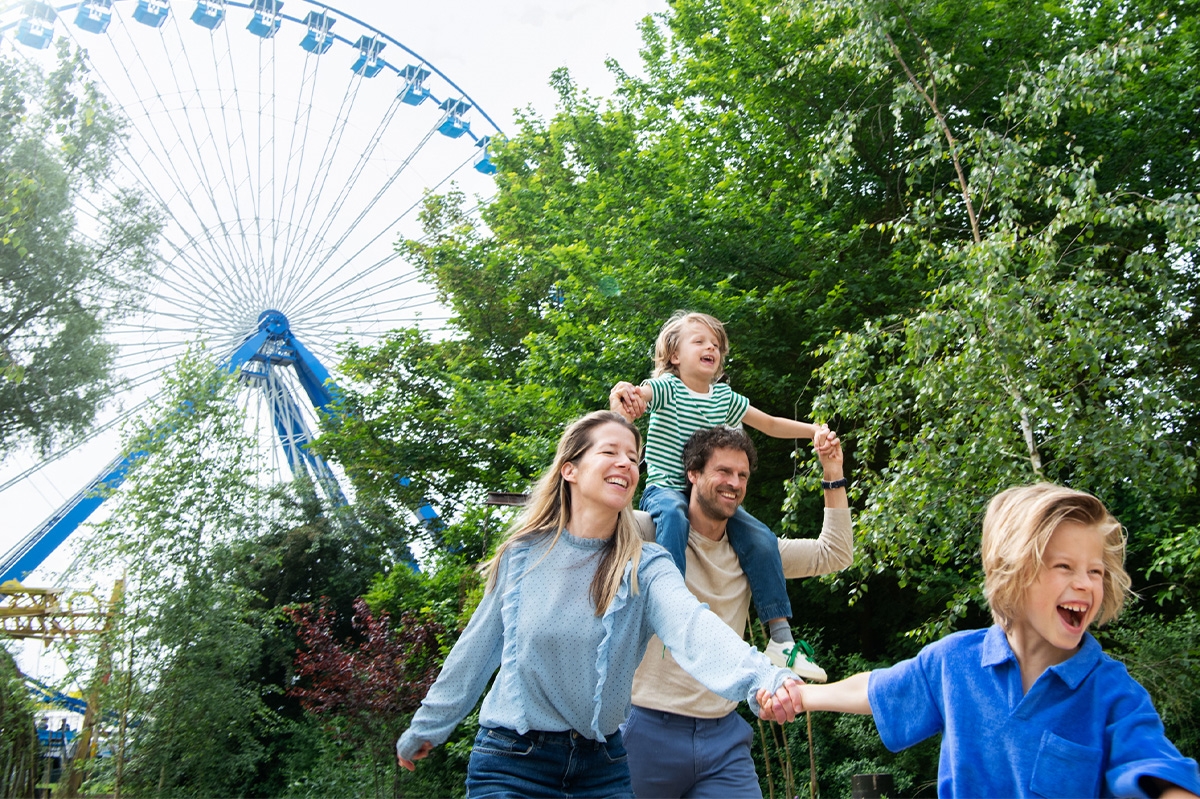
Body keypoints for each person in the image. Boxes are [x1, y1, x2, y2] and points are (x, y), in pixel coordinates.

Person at [395, 410, 807, 798]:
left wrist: (764, 679)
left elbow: (694, 628)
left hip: (603, 766)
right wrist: (429, 725)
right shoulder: (522, 556)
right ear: (569, 469)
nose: (627, 464)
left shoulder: (645, 565)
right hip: (512, 763)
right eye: (610, 452)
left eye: (633, 457)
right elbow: (476, 649)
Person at [793, 483, 1200, 799]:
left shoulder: (1114, 694)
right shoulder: (956, 661)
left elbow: (1159, 771)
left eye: (1096, 571)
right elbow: (878, 688)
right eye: (1064, 566)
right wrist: (803, 697)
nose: (1084, 583)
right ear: (1013, 572)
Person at [623, 425, 852, 799]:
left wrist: (832, 471)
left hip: (723, 738)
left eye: (742, 475)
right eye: (724, 472)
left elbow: (835, 554)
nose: (734, 483)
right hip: (645, 728)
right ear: (693, 474)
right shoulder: (646, 532)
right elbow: (587, 517)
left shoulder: (756, 553)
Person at [610, 310, 834, 680]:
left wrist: (814, 430)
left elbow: (771, 424)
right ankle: (671, 610)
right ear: (674, 356)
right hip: (667, 487)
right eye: (699, 341)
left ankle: (780, 639)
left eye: (716, 344)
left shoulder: (725, 398)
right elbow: (632, 400)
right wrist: (624, 396)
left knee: (761, 538)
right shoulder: (667, 388)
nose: (710, 347)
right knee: (675, 518)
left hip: (709, 495)